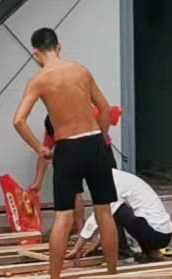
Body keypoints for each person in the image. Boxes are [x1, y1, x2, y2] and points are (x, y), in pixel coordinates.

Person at [13, 28, 118, 279]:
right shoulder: (81, 71)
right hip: (94, 143)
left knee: (63, 217)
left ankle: (55, 276)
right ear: (59, 47)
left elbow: (18, 120)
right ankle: (112, 273)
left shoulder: (39, 80)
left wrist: (40, 147)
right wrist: (102, 137)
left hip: (67, 148)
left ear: (36, 53)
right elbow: (105, 109)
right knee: (104, 212)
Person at [28, 123, 172, 263]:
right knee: (115, 211)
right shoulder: (115, 176)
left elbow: (99, 216)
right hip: (162, 231)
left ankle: (118, 252)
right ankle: (151, 253)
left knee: (113, 210)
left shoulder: (112, 180)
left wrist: (78, 247)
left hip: (156, 233)